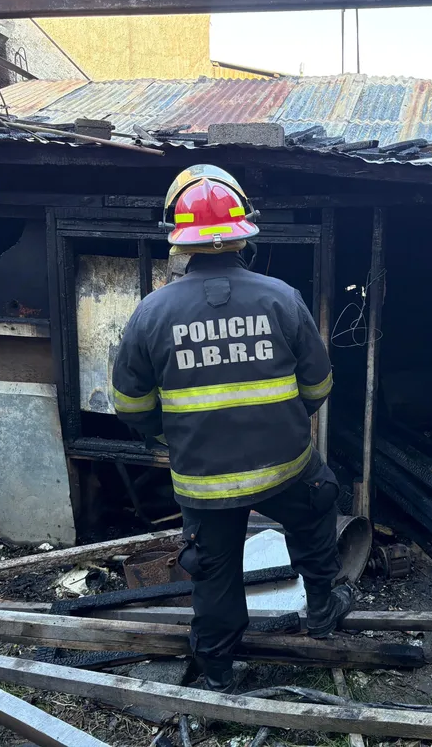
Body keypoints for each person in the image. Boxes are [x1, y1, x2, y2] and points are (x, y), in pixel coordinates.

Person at [111, 165, 351, 693]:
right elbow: (319, 385)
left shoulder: (150, 313)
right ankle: (321, 608)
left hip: (203, 478)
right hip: (287, 464)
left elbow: (129, 404)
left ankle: (218, 670)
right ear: (246, 229)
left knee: (214, 572)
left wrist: (169, 435)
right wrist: (283, 418)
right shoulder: (282, 298)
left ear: (178, 236)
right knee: (315, 513)